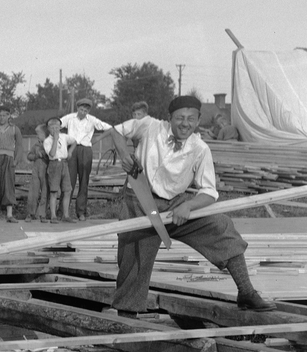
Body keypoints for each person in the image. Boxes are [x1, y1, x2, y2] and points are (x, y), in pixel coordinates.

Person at [112, 94, 275, 317]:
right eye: (180, 118)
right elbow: (116, 131)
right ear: (169, 118)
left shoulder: (200, 148)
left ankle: (246, 292)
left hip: (175, 204)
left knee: (221, 226)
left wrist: (188, 207)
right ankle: (127, 319)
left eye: (191, 119)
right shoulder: (150, 126)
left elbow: (209, 192)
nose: (185, 124)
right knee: (135, 259)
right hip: (140, 201)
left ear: (198, 121)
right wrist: (125, 155)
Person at [60, 98, 111, 221]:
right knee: (69, 181)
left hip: (85, 150)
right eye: (81, 109)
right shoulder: (70, 118)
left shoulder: (92, 120)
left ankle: (81, 212)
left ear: (88, 111)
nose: (83, 112)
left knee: (84, 182)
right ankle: (62, 212)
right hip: (71, 149)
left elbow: (110, 128)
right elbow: (55, 125)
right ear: (77, 108)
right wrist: (62, 140)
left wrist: (97, 139)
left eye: (86, 110)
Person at [43, 115, 72, 222]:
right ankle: (53, 216)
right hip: (54, 164)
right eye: (52, 127)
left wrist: (70, 151)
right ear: (48, 129)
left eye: (57, 127)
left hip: (64, 163)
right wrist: (55, 139)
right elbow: (51, 153)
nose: (55, 130)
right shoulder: (47, 141)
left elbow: (74, 142)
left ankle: (66, 215)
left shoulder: (64, 137)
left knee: (67, 190)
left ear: (60, 127)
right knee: (54, 191)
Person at [24, 123, 49, 222]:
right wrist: (35, 156)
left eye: (39, 134)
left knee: (45, 193)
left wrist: (44, 154)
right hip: (36, 170)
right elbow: (29, 156)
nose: (37, 136)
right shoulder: (36, 145)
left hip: (46, 171)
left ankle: (42, 214)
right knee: (33, 192)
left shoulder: (49, 145)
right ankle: (30, 213)